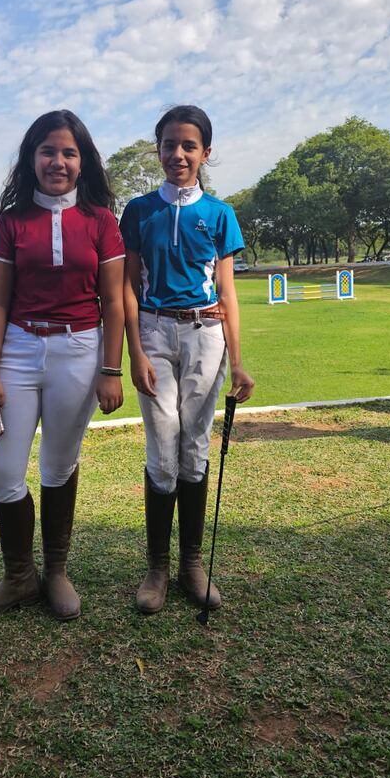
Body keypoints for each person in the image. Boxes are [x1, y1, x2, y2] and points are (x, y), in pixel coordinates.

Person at [0, 110, 125, 622]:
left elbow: (115, 303)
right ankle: (18, 577)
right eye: (47, 151)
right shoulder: (11, 221)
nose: (57, 161)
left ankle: (54, 571)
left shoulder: (101, 221)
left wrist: (111, 369)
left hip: (79, 351)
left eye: (69, 153)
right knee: (1, 469)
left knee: (58, 465)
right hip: (17, 348)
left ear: (83, 161)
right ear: (31, 157)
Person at [120, 105, 255, 615]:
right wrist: (134, 350)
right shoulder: (138, 210)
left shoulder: (220, 214)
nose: (177, 154)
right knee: (162, 446)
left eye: (189, 146)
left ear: (205, 152)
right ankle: (157, 567)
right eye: (169, 144)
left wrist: (238, 361)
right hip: (153, 331)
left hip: (206, 333)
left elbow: (227, 291)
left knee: (194, 445)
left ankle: (192, 564)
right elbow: (129, 286)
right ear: (158, 149)